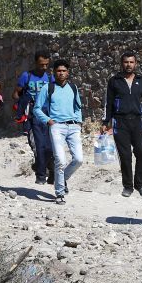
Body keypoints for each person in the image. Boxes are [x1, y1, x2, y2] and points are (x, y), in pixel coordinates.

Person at [101, 51, 142, 198]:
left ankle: (139, 184)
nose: (129, 65)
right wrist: (105, 122)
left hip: (136, 121)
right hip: (119, 122)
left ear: (136, 64)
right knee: (125, 155)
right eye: (126, 62)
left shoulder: (141, 80)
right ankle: (127, 186)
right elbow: (108, 103)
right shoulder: (114, 80)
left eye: (131, 62)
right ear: (122, 63)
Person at [33, 59, 83, 205]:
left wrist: (79, 122)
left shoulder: (73, 87)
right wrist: (48, 120)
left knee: (79, 159)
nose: (61, 73)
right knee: (60, 160)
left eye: (63, 71)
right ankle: (59, 193)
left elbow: (78, 107)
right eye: (58, 71)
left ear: (68, 72)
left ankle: (62, 179)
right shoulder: (48, 88)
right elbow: (37, 108)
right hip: (57, 127)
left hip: (73, 127)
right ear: (54, 73)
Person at [12, 50, 54, 185]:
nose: (44, 67)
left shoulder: (50, 78)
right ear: (36, 63)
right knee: (37, 146)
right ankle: (41, 175)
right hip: (31, 117)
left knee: (49, 146)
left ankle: (49, 170)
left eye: (47, 64)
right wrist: (22, 104)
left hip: (47, 116)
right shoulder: (26, 76)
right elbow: (15, 94)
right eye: (42, 65)